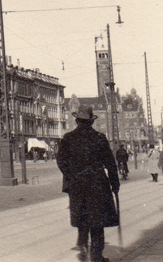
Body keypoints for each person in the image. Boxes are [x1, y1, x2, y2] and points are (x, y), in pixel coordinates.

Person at [57, 105, 119, 262]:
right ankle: (96, 256)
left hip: (78, 185)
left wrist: (71, 175)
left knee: (82, 216)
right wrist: (115, 183)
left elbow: (61, 161)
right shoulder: (99, 137)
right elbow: (110, 163)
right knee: (97, 221)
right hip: (97, 183)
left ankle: (83, 244)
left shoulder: (68, 138)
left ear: (77, 120)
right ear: (91, 121)